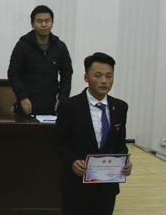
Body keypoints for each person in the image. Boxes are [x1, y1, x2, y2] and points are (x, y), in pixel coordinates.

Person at [53, 53, 132, 215]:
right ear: (86, 77)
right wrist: (72, 161)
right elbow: (59, 140)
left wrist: (125, 161)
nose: (104, 81)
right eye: (98, 75)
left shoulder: (120, 107)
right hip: (76, 184)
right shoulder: (69, 106)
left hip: (107, 185)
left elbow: (119, 142)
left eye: (109, 76)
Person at [7, 5, 73, 115]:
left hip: (52, 104)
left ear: (52, 23)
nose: (44, 25)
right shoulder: (23, 46)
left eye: (47, 21)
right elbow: (13, 73)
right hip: (27, 104)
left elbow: (67, 73)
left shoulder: (59, 46)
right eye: (39, 21)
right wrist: (22, 97)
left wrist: (63, 98)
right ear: (32, 24)